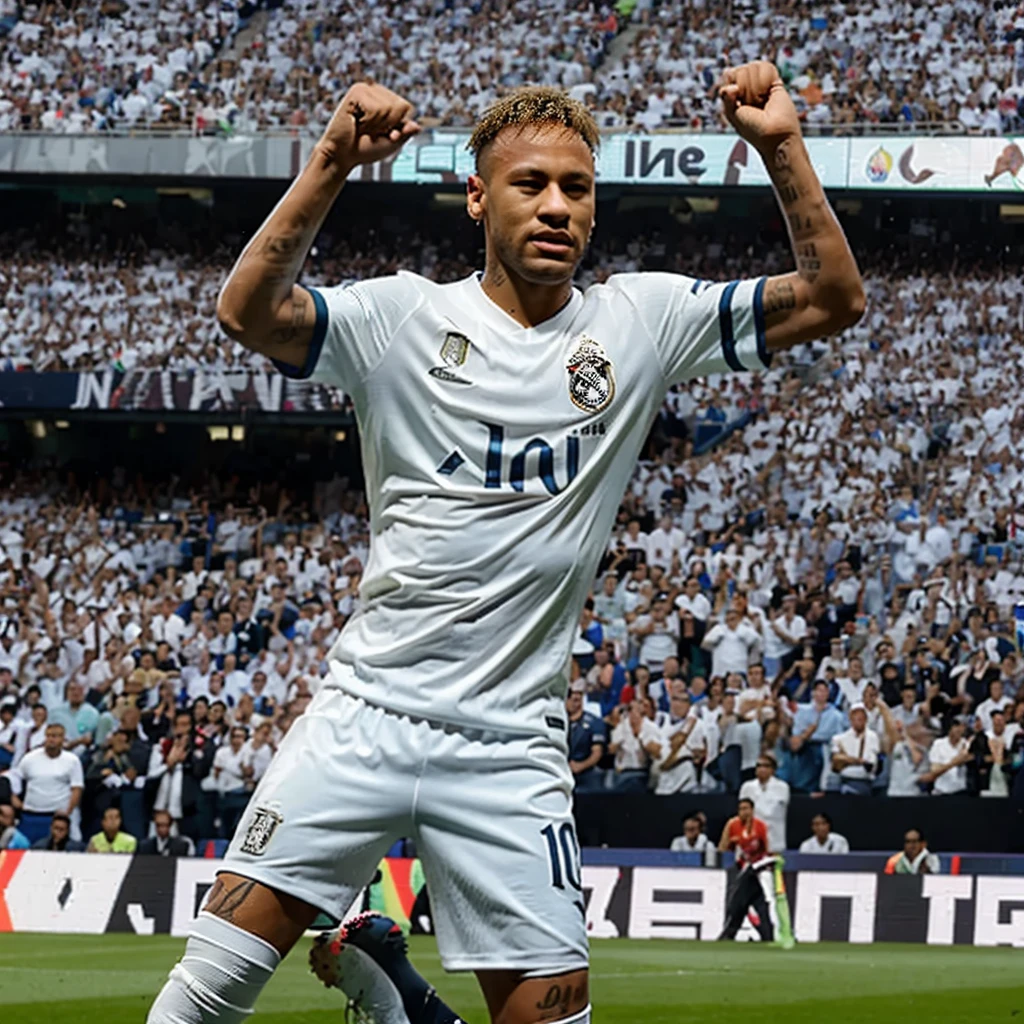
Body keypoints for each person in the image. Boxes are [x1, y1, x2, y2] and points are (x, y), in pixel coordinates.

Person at [148, 63, 863, 1024]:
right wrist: (330, 162)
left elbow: (832, 299)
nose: (557, 206)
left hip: (509, 748)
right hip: (365, 715)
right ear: (478, 199)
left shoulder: (640, 323)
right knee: (204, 998)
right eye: (531, 185)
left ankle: (394, 996)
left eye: (577, 188)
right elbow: (248, 313)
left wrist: (781, 147)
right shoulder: (402, 318)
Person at [8, 723, 83, 845]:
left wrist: (67, 812)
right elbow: (14, 777)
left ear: (63, 739)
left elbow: (77, 788)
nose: (51, 739)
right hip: (30, 814)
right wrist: (13, 797)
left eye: (56, 736)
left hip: (56, 815)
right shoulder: (30, 758)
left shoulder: (72, 760)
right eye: (49, 736)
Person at [717, 797, 775, 943]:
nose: (744, 812)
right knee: (742, 903)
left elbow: (768, 850)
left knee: (743, 903)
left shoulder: (760, 826)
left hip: (759, 870)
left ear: (752, 810)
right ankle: (765, 935)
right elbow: (722, 848)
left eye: (746, 809)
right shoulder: (734, 825)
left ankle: (730, 934)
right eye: (741, 809)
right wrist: (727, 832)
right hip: (742, 869)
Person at [738, 753, 790, 852]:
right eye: (759, 766)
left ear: (773, 770)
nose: (762, 769)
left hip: (774, 841)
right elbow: (743, 813)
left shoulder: (782, 787)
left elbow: (769, 811)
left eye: (766, 766)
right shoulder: (747, 787)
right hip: (750, 840)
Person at [830, 703, 880, 796]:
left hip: (864, 780)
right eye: (855, 719)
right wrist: (857, 760)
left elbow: (870, 765)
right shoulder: (839, 739)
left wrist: (847, 760)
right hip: (844, 778)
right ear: (850, 720)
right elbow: (836, 761)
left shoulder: (872, 736)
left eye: (860, 719)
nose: (858, 722)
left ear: (865, 719)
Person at [565, 681, 606, 792]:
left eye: (577, 700)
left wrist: (580, 765)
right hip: (563, 768)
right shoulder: (561, 722)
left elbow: (597, 752)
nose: (574, 703)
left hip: (586, 770)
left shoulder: (594, 722)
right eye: (570, 700)